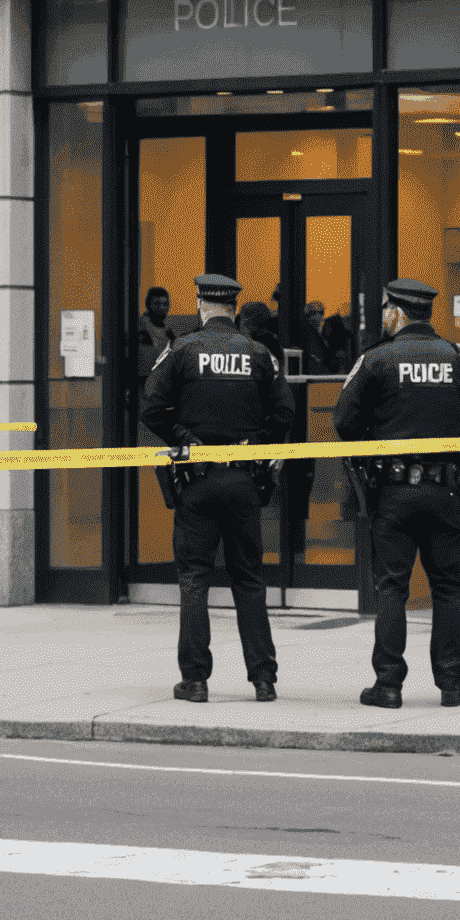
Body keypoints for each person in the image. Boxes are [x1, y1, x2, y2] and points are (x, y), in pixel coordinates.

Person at [333, 277, 460, 710]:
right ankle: (452, 686)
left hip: (394, 494)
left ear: (396, 312)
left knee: (392, 588)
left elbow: (344, 422)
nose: (384, 316)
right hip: (446, 493)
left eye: (386, 308)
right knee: (448, 588)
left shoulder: (377, 360)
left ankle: (388, 685)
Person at [141, 273, 295, 703]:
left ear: (202, 305)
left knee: (194, 579)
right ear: (233, 308)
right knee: (249, 580)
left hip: (199, 481)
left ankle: (195, 680)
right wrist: (257, 443)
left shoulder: (183, 349)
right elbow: (285, 410)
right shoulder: (258, 353)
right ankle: (263, 679)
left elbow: (150, 405)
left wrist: (182, 436)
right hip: (244, 481)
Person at [137, 287, 175, 378]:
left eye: (165, 304)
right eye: (157, 304)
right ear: (148, 305)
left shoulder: (166, 327)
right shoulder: (142, 328)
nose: (162, 308)